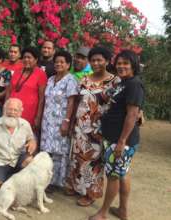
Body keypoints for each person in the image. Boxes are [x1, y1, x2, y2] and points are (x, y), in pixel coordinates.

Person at [89, 50, 144, 220]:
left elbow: (132, 115)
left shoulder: (134, 84)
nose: (121, 66)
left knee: (113, 176)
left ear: (133, 65)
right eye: (119, 63)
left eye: (126, 63)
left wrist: (121, 141)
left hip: (120, 140)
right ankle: (122, 211)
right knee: (122, 173)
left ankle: (103, 213)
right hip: (115, 137)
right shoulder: (124, 83)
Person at [66, 47, 120, 206]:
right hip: (80, 126)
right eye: (93, 60)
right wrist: (71, 124)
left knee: (94, 161)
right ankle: (76, 186)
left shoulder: (114, 81)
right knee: (77, 158)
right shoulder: (84, 79)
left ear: (107, 61)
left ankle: (91, 193)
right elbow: (77, 102)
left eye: (99, 60)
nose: (96, 63)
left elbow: (119, 105)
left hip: (98, 129)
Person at [0, 98, 37, 190]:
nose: (12, 112)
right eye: (9, 109)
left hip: (17, 159)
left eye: (15, 110)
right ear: (4, 110)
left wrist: (32, 142)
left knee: (30, 161)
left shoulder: (25, 125)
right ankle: (14, 182)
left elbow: (31, 138)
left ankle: (13, 182)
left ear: (20, 112)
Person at [40, 50, 79, 192]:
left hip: (60, 122)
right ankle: (45, 179)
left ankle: (55, 182)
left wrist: (67, 121)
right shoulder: (50, 79)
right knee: (46, 150)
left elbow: (72, 102)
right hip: (47, 121)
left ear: (68, 64)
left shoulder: (71, 80)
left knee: (58, 153)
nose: (58, 64)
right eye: (56, 62)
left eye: (62, 62)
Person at [6, 47, 47, 135]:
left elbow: (42, 98)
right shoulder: (17, 71)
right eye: (24, 57)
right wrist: (5, 110)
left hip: (29, 114)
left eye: (29, 57)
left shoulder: (41, 74)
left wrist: (38, 117)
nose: (26, 60)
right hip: (12, 112)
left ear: (36, 60)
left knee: (25, 141)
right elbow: (9, 91)